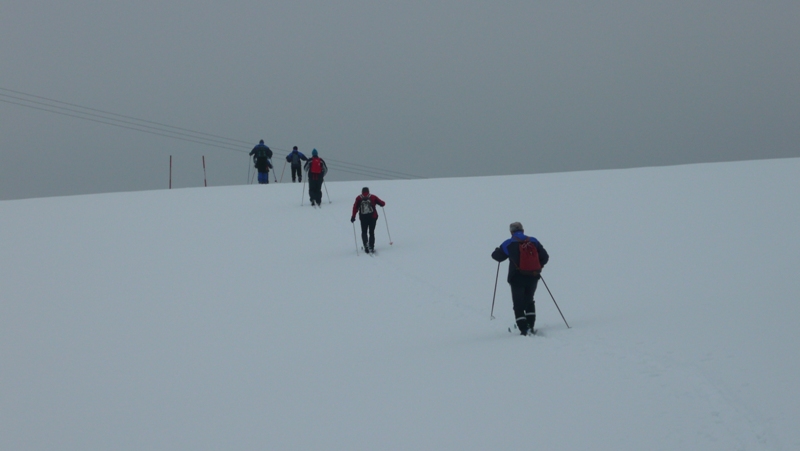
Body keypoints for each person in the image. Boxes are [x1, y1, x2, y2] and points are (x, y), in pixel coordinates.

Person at [491, 222, 549, 335]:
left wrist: (498, 249)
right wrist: (538, 267)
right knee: (529, 300)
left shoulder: (508, 243)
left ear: (511, 232)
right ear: (522, 230)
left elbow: (496, 256)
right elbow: (545, 257)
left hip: (516, 277)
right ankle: (531, 325)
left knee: (518, 303)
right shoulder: (533, 241)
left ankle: (523, 329)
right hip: (533, 275)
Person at [350, 187, 385, 254]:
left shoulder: (359, 198)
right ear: (368, 191)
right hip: (373, 217)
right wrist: (382, 203)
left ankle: (366, 246)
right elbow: (382, 203)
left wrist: (353, 217)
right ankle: (371, 246)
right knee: (371, 232)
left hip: (363, 218)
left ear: (362, 191)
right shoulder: (373, 197)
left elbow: (355, 208)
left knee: (364, 232)